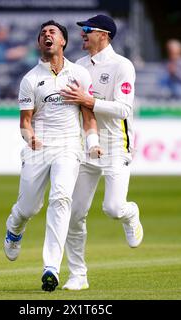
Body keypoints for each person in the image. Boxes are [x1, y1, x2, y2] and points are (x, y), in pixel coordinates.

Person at [3, 20, 103, 292]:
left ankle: (51, 268)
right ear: (40, 43)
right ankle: (14, 226)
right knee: (29, 208)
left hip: (68, 147)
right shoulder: (30, 79)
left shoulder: (80, 74)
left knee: (61, 199)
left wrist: (92, 142)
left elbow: (88, 116)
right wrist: (30, 137)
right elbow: (25, 122)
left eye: (53, 32)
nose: (47, 35)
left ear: (63, 42)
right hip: (38, 148)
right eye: (43, 33)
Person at [59, 14, 143, 291]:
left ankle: (130, 214)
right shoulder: (79, 66)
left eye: (87, 29)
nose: (81, 33)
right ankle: (78, 275)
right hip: (85, 147)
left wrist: (89, 100)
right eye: (82, 30)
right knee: (74, 213)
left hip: (116, 145)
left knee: (113, 208)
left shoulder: (122, 66)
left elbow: (124, 109)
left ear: (104, 35)